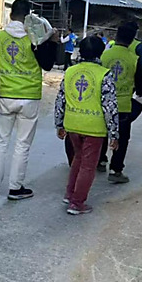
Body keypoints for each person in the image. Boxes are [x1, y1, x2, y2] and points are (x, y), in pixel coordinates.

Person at [0, 0, 59, 200]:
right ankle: (15, 188)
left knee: (1, 141)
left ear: (10, 15)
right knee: (22, 144)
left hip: (7, 95)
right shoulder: (35, 38)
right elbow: (48, 65)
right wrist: (52, 43)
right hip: (29, 96)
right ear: (28, 17)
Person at [55, 36, 119, 215]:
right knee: (88, 165)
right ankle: (77, 203)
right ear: (101, 52)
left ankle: (70, 194)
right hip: (94, 127)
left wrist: (59, 123)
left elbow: (60, 99)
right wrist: (114, 134)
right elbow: (110, 106)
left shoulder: (70, 71)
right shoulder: (104, 74)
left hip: (72, 124)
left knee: (78, 158)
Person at [100, 23, 142, 183]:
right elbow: (140, 86)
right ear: (132, 39)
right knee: (122, 138)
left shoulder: (104, 55)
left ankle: (100, 160)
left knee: (102, 133)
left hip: (103, 103)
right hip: (123, 106)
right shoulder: (134, 59)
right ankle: (116, 169)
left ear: (116, 36)